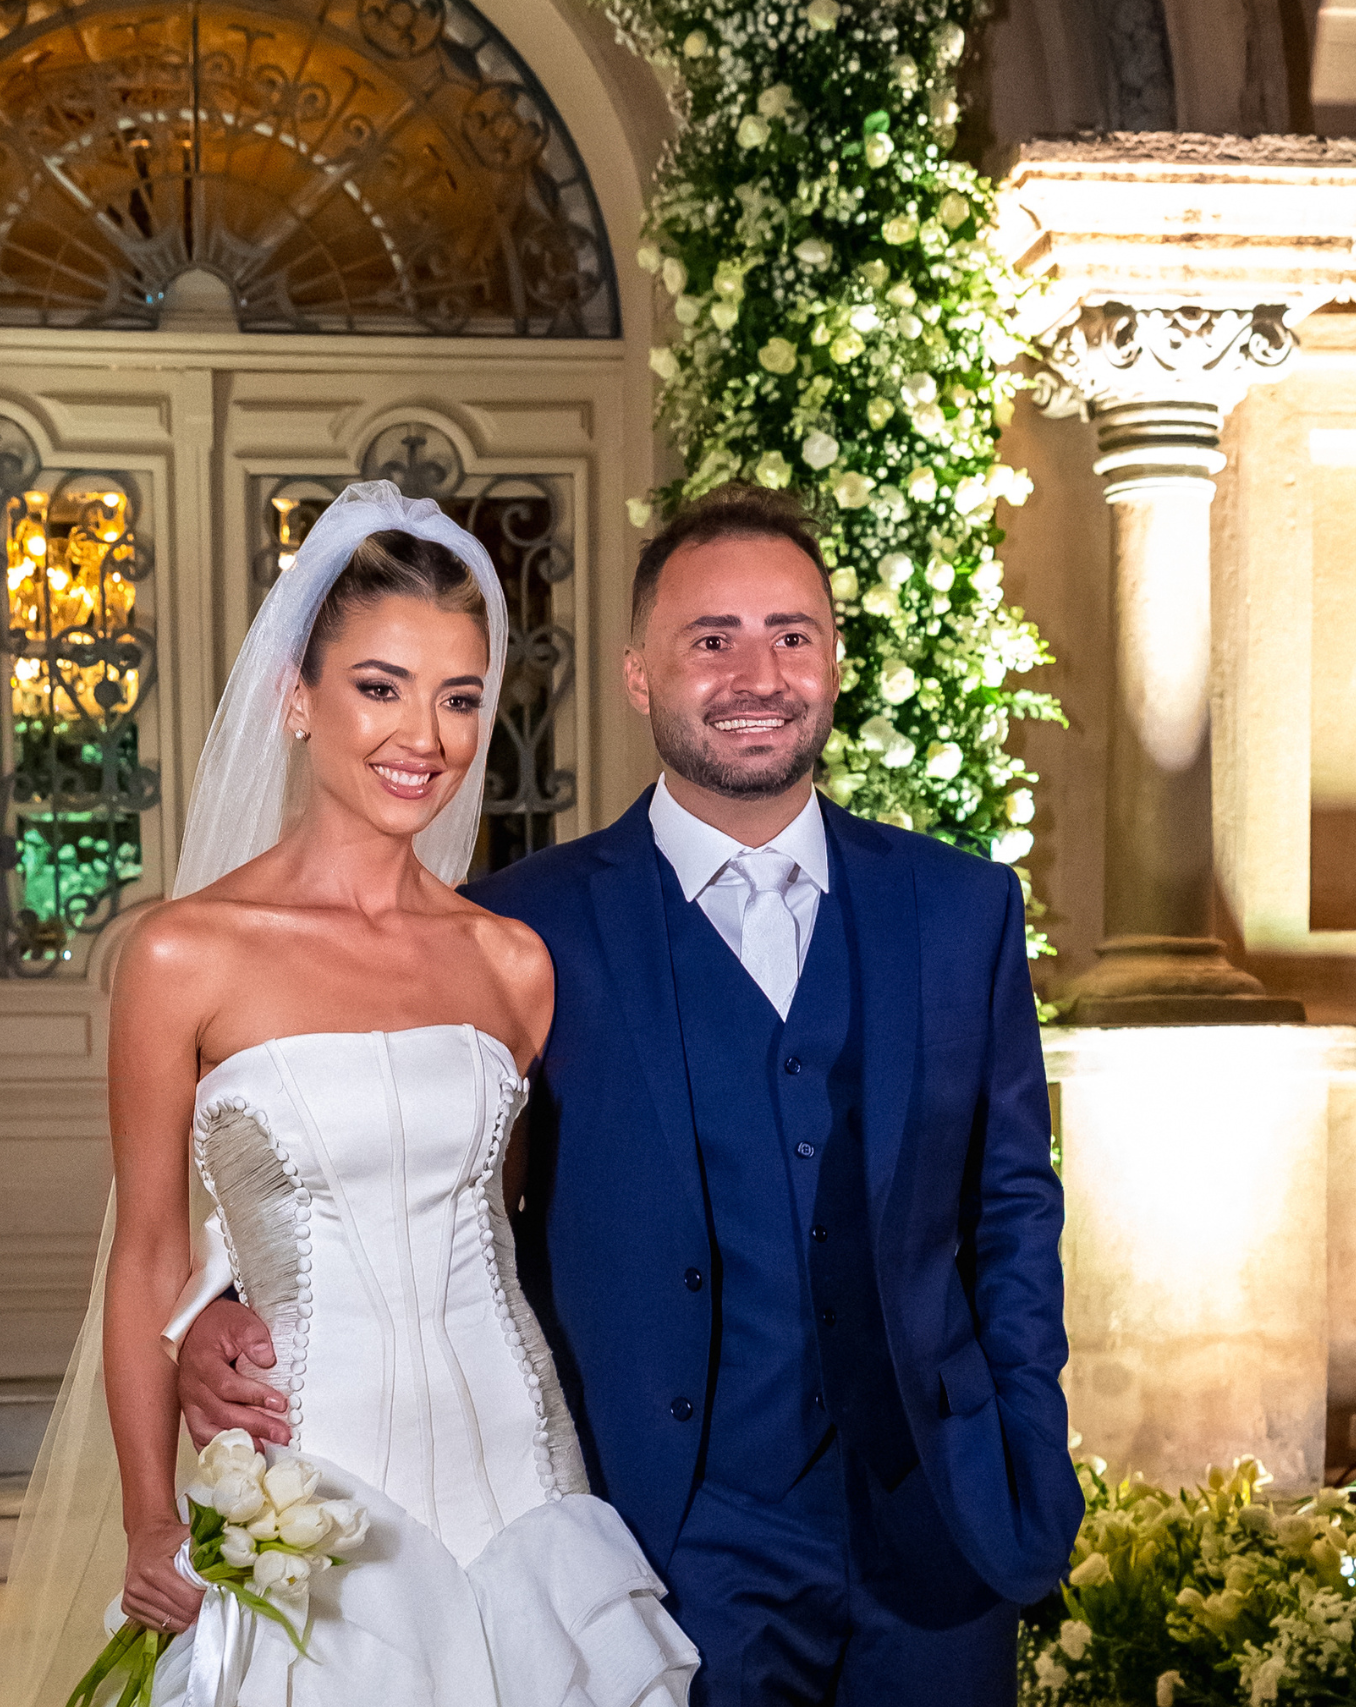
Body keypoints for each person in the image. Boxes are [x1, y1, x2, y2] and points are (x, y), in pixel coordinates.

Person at [179, 482, 1081, 1705]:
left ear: (833, 663)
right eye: (711, 640)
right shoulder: (519, 927)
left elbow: (1013, 1205)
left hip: (941, 1526)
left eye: (791, 635)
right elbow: (384, 1154)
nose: (756, 672)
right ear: (638, 677)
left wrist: (1029, 1440)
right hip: (669, 1537)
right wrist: (234, 1311)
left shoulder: (961, 908)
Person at [0, 481, 698, 1707]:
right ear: (295, 698)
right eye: (380, 686)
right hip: (311, 1482)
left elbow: (509, 1230)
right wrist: (152, 1516)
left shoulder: (511, 965)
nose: (426, 735)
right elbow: (146, 1253)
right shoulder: (181, 956)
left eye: (459, 697)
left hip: (518, 1474)